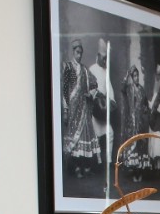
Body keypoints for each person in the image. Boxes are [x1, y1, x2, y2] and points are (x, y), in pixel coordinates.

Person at [60, 37, 99, 178]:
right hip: (72, 109)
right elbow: (65, 91)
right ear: (73, 51)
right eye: (77, 52)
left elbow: (95, 84)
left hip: (83, 109)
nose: (79, 55)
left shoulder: (84, 70)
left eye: (81, 52)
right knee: (74, 138)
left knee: (84, 136)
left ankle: (83, 166)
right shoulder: (68, 67)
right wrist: (65, 110)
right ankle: (76, 167)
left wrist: (91, 94)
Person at [88, 39, 116, 169]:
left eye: (106, 59)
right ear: (98, 56)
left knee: (110, 132)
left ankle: (108, 161)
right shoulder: (91, 70)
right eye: (103, 58)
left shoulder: (106, 72)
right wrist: (96, 97)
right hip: (94, 111)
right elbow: (88, 88)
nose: (105, 62)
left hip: (103, 110)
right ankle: (98, 162)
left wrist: (110, 101)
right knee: (95, 137)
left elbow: (109, 89)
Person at [119, 63, 149, 180]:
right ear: (132, 77)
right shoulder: (129, 89)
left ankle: (139, 172)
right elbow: (122, 88)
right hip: (132, 123)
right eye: (134, 76)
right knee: (134, 147)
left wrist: (145, 109)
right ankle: (135, 171)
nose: (136, 78)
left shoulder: (141, 89)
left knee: (141, 147)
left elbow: (145, 104)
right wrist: (127, 75)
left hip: (141, 123)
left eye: (137, 76)